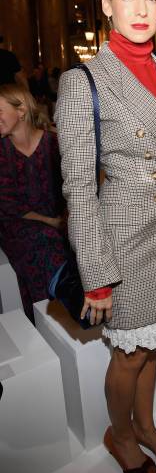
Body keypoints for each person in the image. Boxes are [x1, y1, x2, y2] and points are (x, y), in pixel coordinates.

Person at [55, 0, 156, 473]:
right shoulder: (82, 82)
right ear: (108, 7)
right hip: (126, 242)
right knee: (129, 355)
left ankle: (148, 425)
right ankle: (121, 434)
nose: (142, 9)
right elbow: (78, 188)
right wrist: (97, 274)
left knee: (154, 343)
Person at [0, 83, 66, 324]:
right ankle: (54, 313)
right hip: (18, 226)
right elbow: (8, 206)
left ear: (21, 110)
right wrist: (51, 222)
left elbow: (75, 189)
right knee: (42, 241)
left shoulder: (54, 143)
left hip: (61, 221)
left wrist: (66, 220)